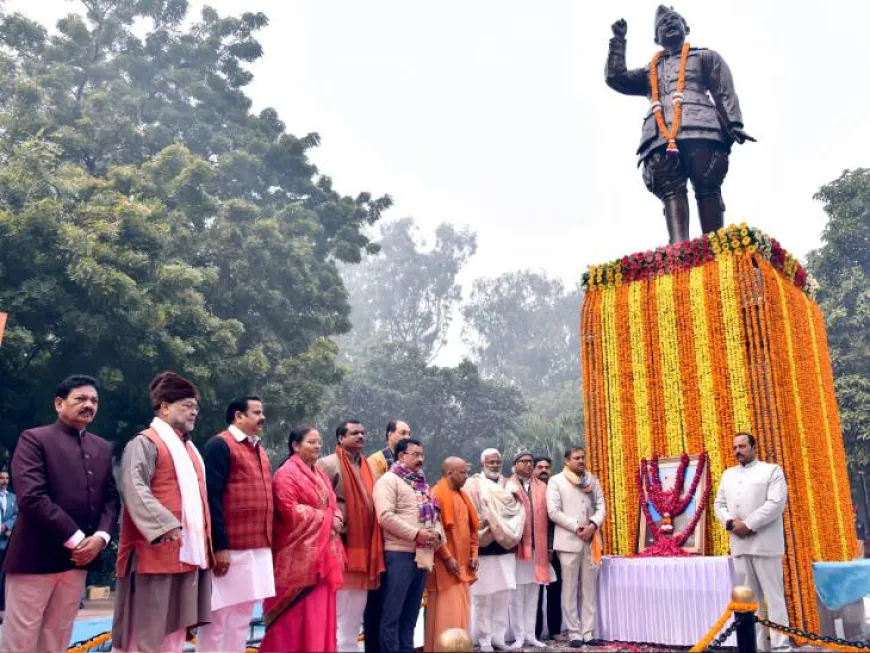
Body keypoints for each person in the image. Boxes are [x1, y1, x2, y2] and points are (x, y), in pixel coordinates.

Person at [605, 6, 751, 243]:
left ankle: (714, 247)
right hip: (659, 137)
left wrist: (734, 122)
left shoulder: (706, 57)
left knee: (707, 185)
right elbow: (615, 78)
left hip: (702, 127)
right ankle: (679, 250)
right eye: (663, 24)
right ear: (656, 38)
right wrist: (618, 41)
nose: (669, 24)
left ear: (687, 28)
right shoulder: (649, 72)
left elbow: (723, 90)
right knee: (671, 190)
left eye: (675, 20)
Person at [0, 375, 119, 653]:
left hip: (78, 561)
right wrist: (78, 540)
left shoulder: (102, 448)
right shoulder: (34, 439)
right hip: (35, 558)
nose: (88, 405)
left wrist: (100, 538)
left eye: (94, 401)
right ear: (59, 403)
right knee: (21, 636)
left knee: (59, 634)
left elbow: (111, 499)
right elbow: (32, 497)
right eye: (80, 399)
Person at [112, 371, 213, 653]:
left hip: (187, 553)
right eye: (187, 405)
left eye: (196, 407)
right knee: (148, 633)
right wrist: (164, 524)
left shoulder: (190, 450)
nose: (194, 411)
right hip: (153, 553)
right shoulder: (145, 442)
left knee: (175, 634)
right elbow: (134, 486)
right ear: (163, 407)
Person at [198, 396, 275, 652]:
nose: (262, 417)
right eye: (256, 412)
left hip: (257, 546)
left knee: (242, 616)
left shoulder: (259, 450)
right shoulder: (220, 445)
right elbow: (212, 498)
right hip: (231, 548)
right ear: (238, 416)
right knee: (218, 617)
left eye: (262, 412)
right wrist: (219, 546)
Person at [261, 424, 344, 653]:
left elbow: (333, 504)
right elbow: (289, 511)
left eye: (319, 442)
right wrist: (328, 518)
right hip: (295, 560)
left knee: (319, 617)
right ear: (295, 446)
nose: (318, 446)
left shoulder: (318, 473)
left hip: (321, 559)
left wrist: (335, 516)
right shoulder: (285, 474)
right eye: (311, 442)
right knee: (292, 622)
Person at [714, 432, 789, 652]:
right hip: (740, 544)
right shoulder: (728, 474)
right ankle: (756, 647)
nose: (738, 451)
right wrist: (730, 523)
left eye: (742, 446)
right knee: (749, 601)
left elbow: (775, 503)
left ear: (753, 447)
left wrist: (748, 524)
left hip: (765, 545)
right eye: (735, 447)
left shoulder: (771, 470)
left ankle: (780, 646)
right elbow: (719, 503)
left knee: (774, 599)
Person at [318, 420, 384, 652]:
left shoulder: (370, 468)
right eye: (354, 433)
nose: (360, 436)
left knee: (355, 613)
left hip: (364, 549)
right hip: (338, 547)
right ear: (340, 438)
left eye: (363, 432)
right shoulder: (327, 464)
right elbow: (319, 503)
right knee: (337, 610)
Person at [373, 438, 442, 653]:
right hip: (398, 555)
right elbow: (384, 516)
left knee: (411, 615)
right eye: (415, 454)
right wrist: (416, 534)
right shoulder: (389, 480)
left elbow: (435, 515)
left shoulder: (422, 483)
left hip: (422, 555)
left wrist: (437, 536)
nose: (421, 459)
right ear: (402, 456)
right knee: (392, 615)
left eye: (422, 455)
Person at [464, 448, 525, 652]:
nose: (495, 465)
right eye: (490, 462)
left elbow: (518, 511)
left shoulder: (509, 485)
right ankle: (484, 640)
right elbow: (470, 513)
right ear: (482, 464)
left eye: (498, 462)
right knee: (482, 598)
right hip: (484, 548)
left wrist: (503, 525)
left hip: (506, 546)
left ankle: (499, 638)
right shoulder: (473, 484)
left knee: (502, 596)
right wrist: (487, 525)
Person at [547, 447, 606, 648]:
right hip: (568, 541)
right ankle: (574, 633)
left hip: (592, 541)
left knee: (589, 589)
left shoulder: (592, 480)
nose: (581, 461)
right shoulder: (556, 481)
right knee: (569, 589)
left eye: (583, 457)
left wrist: (593, 525)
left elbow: (601, 507)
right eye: (576, 458)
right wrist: (576, 526)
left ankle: (588, 633)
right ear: (566, 460)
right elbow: (553, 511)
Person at [364, 419, 411, 652]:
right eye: (402, 432)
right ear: (388, 435)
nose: (406, 435)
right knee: (380, 605)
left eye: (409, 432)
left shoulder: (411, 467)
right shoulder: (376, 462)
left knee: (403, 608)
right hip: (383, 540)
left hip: (405, 542)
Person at [425, 457, 479, 652]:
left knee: (462, 615)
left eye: (466, 472)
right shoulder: (436, 494)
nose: (467, 476)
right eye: (462, 472)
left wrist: (474, 554)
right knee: (446, 616)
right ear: (449, 473)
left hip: (463, 566)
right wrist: (448, 558)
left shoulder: (463, 496)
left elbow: (473, 530)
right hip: (444, 567)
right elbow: (434, 530)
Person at [508, 452, 551, 649]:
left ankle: (531, 634)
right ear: (515, 464)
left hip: (538, 548)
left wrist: (549, 546)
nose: (528, 465)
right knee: (517, 595)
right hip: (516, 549)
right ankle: (518, 636)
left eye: (530, 462)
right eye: (523, 462)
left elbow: (549, 519)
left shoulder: (542, 487)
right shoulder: (506, 486)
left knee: (534, 593)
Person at [533, 456, 563, 642]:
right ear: (534, 470)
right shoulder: (530, 490)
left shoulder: (556, 488)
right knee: (535, 592)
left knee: (555, 589)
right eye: (540, 467)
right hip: (536, 549)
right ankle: (534, 631)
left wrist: (551, 548)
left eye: (547, 467)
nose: (544, 470)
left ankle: (554, 630)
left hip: (556, 548)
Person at [0, 470, 17, 620]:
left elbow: (17, 515)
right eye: (2, 478)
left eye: (6, 478)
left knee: (4, 577)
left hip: (5, 544)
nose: (4, 481)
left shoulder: (13, 498)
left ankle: (2, 609)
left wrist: (6, 526)